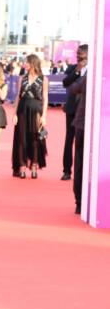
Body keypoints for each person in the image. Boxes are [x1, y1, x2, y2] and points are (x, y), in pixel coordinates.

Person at [11, 54, 48, 179]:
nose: (24, 64)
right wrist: (14, 113)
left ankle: (34, 165)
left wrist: (44, 116)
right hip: (22, 109)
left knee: (35, 139)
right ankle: (21, 166)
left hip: (36, 110)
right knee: (21, 138)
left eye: (26, 62)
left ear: (32, 64)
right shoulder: (23, 78)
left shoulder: (43, 79)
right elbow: (18, 97)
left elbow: (45, 98)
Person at [61, 45, 88, 181]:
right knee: (69, 139)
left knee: (84, 140)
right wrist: (77, 71)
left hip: (86, 110)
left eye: (80, 54)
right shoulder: (73, 68)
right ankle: (67, 170)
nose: (78, 57)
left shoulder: (95, 69)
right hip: (72, 108)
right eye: (77, 54)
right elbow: (65, 83)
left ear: (88, 55)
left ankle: (85, 170)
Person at [70, 61, 88, 215]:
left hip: (83, 126)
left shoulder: (87, 79)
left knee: (80, 164)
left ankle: (80, 202)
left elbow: (74, 88)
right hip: (89, 127)